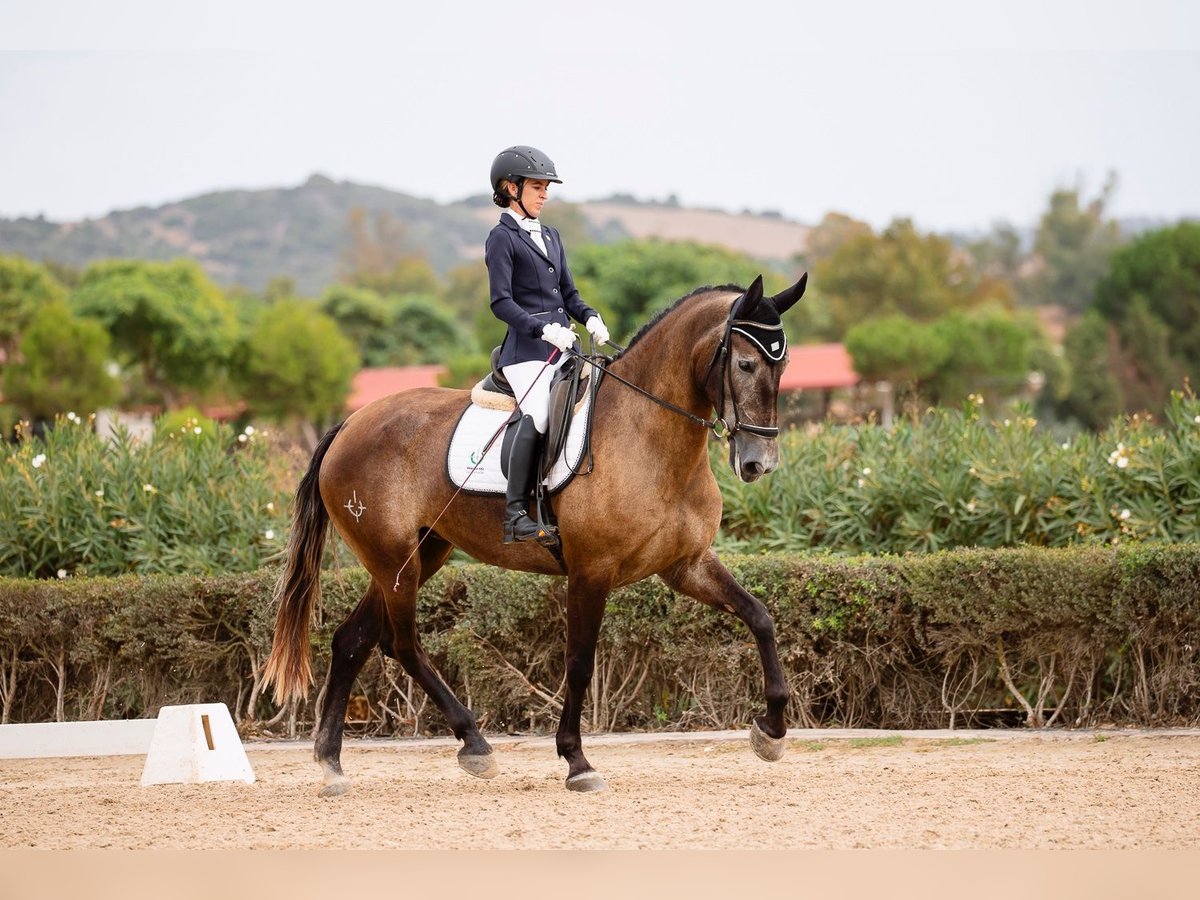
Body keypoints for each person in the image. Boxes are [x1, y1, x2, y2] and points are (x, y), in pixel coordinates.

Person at [485, 145, 610, 543]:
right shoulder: (501, 238)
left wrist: (589, 315)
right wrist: (541, 330)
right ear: (511, 188)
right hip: (525, 354)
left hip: (563, 348)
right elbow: (501, 302)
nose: (545, 194)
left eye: (546, 188)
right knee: (540, 413)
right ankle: (516, 513)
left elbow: (568, 294)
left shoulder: (551, 235)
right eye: (537, 187)